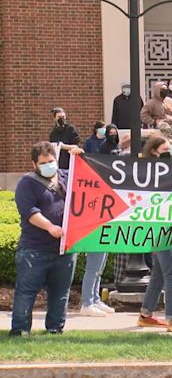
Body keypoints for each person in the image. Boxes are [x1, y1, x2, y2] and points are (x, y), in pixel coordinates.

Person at [10, 142, 83, 336]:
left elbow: (90, 182)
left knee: (60, 293)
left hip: (64, 249)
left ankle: (55, 329)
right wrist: (50, 227)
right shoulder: (26, 184)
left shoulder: (67, 177)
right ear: (34, 164)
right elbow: (30, 212)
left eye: (51, 161)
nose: (49, 166)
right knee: (26, 293)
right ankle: (20, 331)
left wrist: (80, 157)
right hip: (34, 250)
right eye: (43, 163)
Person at [137, 136, 172, 333]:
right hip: (161, 227)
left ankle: (145, 314)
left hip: (167, 225)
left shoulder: (170, 170)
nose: (169, 152)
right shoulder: (148, 173)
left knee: (158, 274)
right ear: (155, 151)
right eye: (165, 149)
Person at [80, 123, 117, 317]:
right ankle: (87, 302)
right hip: (94, 225)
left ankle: (94, 298)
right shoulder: (91, 182)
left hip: (104, 222)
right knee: (93, 266)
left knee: (99, 266)